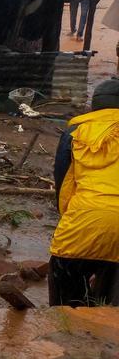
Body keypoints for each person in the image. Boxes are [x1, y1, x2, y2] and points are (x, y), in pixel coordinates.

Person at [48, 79, 119, 306]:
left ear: (94, 106)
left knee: (66, 309)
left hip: (84, 221)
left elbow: (64, 185)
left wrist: (69, 218)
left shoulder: (76, 132)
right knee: (111, 311)